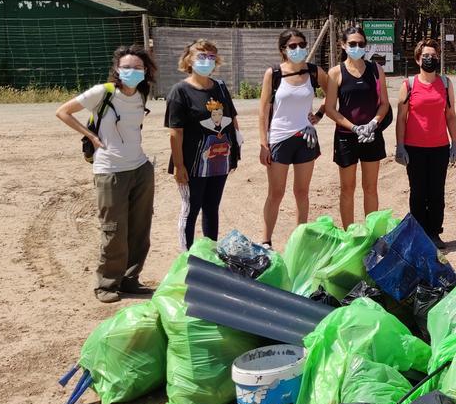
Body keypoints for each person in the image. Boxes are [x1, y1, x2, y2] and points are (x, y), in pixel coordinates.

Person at [55, 45, 157, 303]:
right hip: (110, 171)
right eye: (126, 67)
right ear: (116, 70)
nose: (132, 72)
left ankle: (130, 279)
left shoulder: (141, 94)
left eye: (137, 68)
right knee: (114, 230)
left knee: (139, 229)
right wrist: (89, 135)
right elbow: (63, 111)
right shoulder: (103, 92)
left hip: (140, 168)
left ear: (145, 71)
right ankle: (107, 284)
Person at [164, 39, 242, 252]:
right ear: (188, 60)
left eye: (211, 57)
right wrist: (179, 166)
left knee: (211, 208)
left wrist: (234, 153)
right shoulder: (180, 91)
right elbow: (175, 133)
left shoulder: (220, 87)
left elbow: (231, 119)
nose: (206, 60)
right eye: (201, 56)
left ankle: (211, 253)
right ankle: (185, 257)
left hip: (219, 161)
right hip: (192, 164)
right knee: (191, 209)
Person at [259, 28, 329, 247]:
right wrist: (264, 143)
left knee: (302, 192)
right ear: (283, 49)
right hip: (279, 138)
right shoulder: (274, 73)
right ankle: (266, 240)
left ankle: (300, 240)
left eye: (301, 44)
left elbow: (333, 92)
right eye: (292, 46)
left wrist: (319, 114)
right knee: (276, 192)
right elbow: (263, 111)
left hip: (306, 137)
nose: (298, 49)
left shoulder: (314, 71)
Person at [394, 38, 456, 249]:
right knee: (418, 192)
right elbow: (401, 117)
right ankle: (418, 234)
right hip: (414, 148)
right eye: (425, 56)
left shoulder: (446, 84)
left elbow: (450, 115)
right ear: (417, 59)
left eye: (433, 56)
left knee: (436, 192)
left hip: (439, 148)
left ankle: (434, 233)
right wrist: (400, 146)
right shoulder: (409, 85)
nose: (429, 59)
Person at [324, 26, 391, 226]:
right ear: (343, 45)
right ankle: (349, 235)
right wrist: (354, 128)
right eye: (352, 44)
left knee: (370, 187)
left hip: (371, 135)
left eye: (361, 44)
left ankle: (371, 234)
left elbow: (384, 103)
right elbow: (330, 108)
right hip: (346, 137)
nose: (357, 47)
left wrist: (373, 124)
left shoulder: (376, 70)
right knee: (347, 188)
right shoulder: (336, 73)